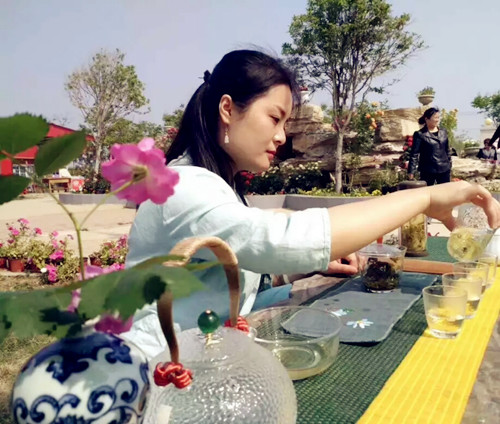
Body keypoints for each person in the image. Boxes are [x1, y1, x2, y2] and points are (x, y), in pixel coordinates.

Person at [123, 50, 500, 358]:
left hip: (207, 353)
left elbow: (240, 265)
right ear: (227, 109)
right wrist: (424, 197)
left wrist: (300, 271)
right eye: (274, 118)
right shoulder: (183, 187)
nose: (281, 136)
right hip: (159, 373)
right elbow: (278, 239)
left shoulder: (218, 188)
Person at [408, 107, 452, 187]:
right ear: (426, 119)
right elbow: (414, 154)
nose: (437, 120)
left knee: (445, 192)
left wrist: (449, 164)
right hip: (428, 170)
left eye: (438, 117)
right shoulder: (420, 134)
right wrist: (411, 171)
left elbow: (447, 150)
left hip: (444, 169)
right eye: (435, 118)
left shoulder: (443, 132)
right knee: (427, 192)